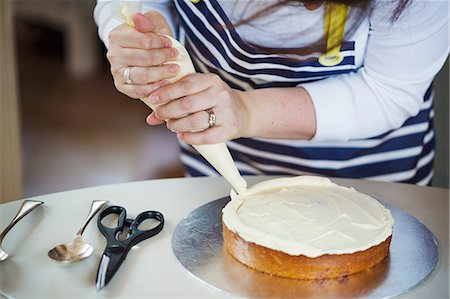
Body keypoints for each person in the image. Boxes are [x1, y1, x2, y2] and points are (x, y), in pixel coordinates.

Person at [94, 0, 449, 186]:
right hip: (225, 161)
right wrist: (134, 37)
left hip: (366, 174)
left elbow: (387, 91)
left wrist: (247, 111)